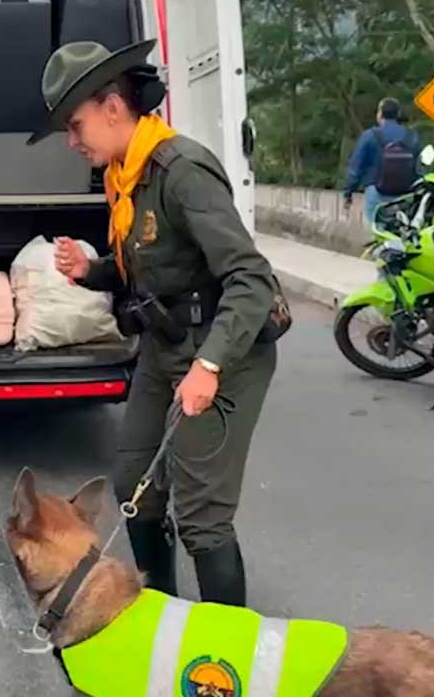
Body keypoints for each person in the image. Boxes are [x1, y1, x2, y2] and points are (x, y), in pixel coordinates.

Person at [37, 41, 280, 607]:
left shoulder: (182, 170)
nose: (72, 142)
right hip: (166, 343)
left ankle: (225, 650)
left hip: (223, 347)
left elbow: (251, 278)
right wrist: (92, 270)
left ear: (112, 108)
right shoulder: (125, 175)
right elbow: (150, 272)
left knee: (201, 515)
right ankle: (161, 616)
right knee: (135, 486)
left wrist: (209, 365)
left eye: (75, 126)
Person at [343, 97, 422, 225]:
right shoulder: (411, 136)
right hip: (405, 194)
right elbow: (419, 167)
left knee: (378, 230)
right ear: (398, 114)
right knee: (402, 229)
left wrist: (348, 192)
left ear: (380, 114)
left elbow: (356, 167)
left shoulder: (370, 135)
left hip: (376, 192)